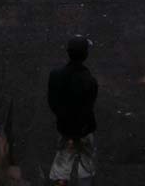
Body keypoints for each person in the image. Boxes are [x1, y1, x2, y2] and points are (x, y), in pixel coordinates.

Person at [47, 35, 98, 185]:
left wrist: (65, 121)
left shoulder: (56, 75)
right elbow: (89, 105)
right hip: (85, 129)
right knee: (86, 166)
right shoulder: (89, 80)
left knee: (62, 164)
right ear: (85, 54)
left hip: (65, 128)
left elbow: (53, 103)